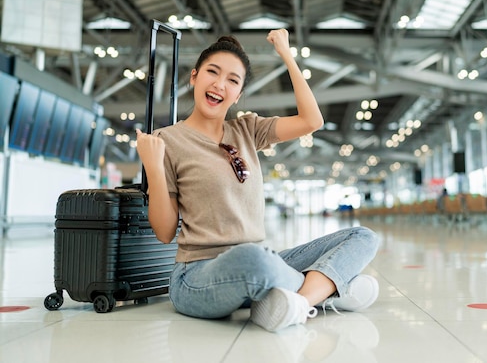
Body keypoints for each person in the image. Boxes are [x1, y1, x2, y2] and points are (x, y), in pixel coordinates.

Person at [135, 29, 380, 333]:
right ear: (194, 77)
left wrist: (287, 55)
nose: (219, 84)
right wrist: (154, 169)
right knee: (254, 259)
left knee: (364, 237)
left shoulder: (247, 130)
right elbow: (164, 231)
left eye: (232, 80)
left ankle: (299, 303)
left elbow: (311, 121)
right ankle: (328, 290)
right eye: (212, 72)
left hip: (259, 260)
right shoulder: (166, 141)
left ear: (237, 95)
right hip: (196, 276)